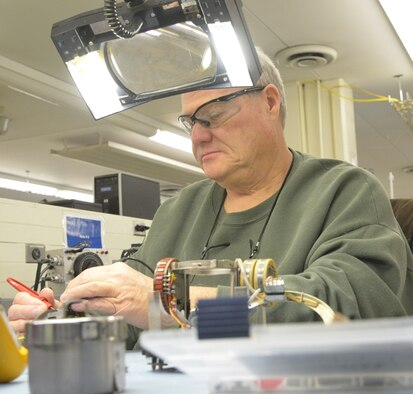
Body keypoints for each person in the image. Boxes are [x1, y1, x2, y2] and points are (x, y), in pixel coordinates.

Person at [8, 49, 413, 350]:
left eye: (214, 114)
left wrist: (168, 302)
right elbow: (127, 320)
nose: (198, 136)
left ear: (270, 102)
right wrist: (62, 317)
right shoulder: (178, 210)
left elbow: (346, 308)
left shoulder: (345, 191)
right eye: (190, 122)